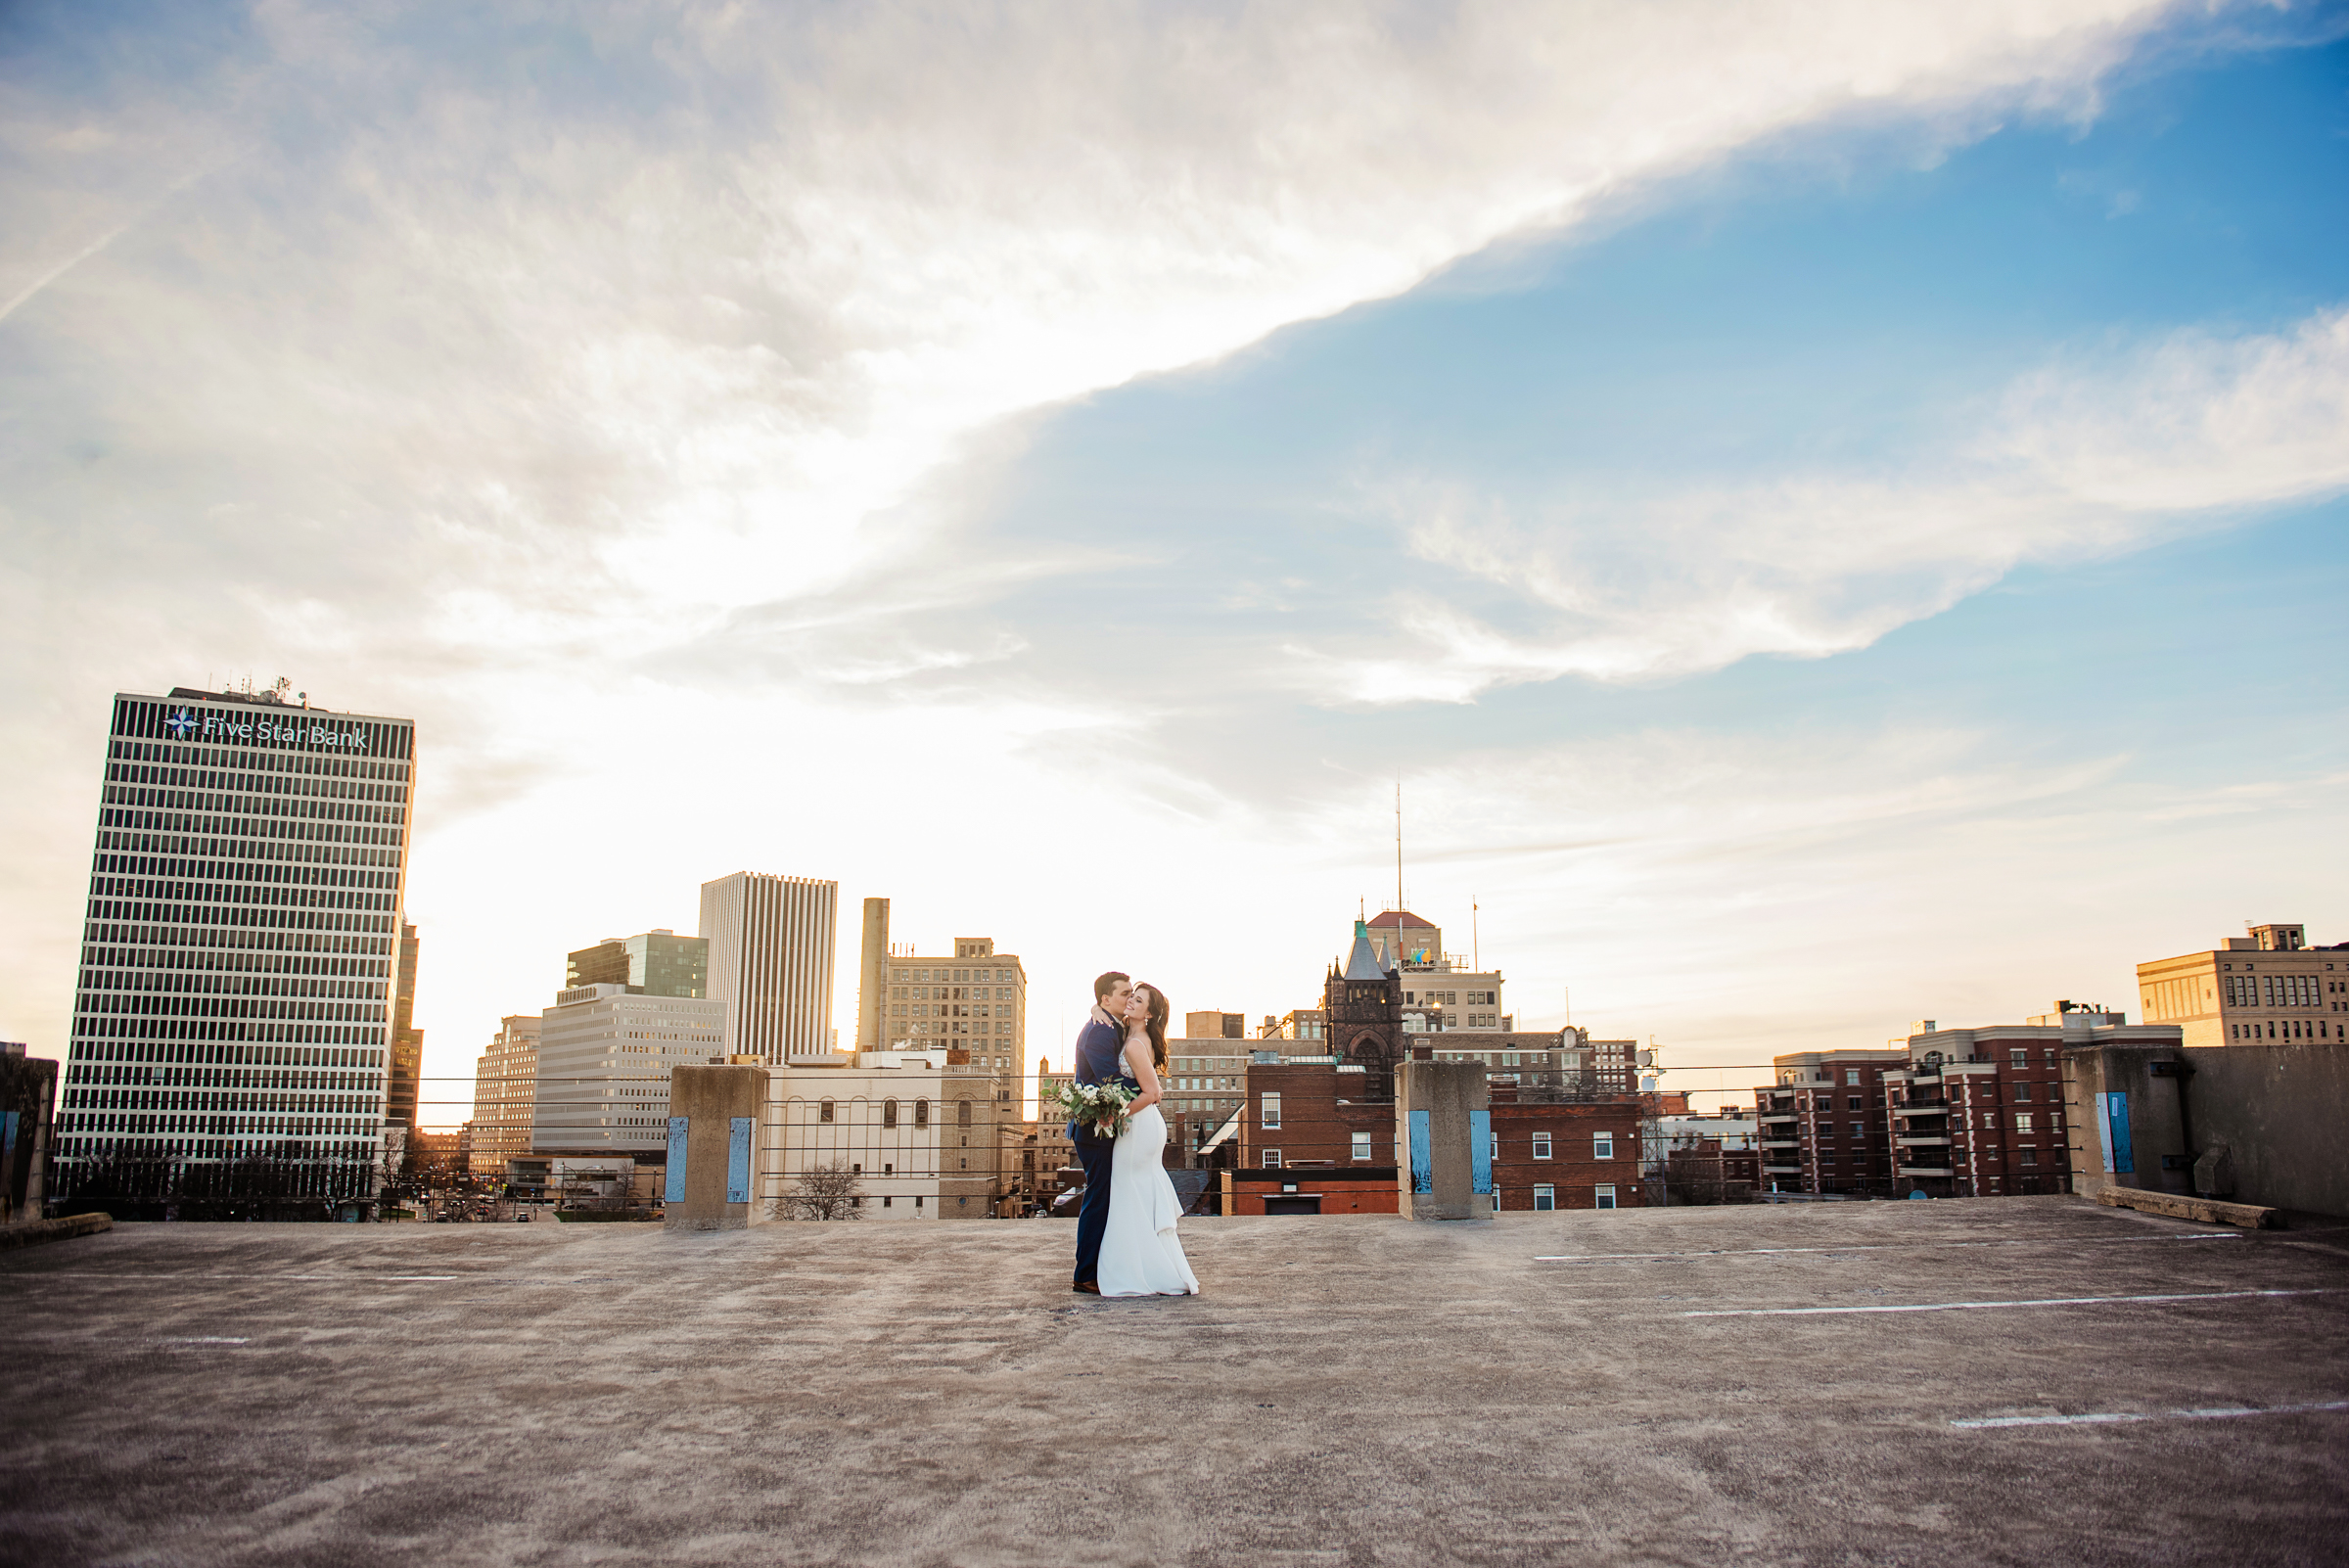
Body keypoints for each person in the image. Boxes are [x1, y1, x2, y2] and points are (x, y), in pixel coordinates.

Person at [1094, 982, 1200, 1298]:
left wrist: (1117, 1113)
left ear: (1149, 1013)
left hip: (1139, 1125)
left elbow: (1153, 1092)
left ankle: (1139, 1272)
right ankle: (1153, 1266)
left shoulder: (1135, 1045)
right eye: (1131, 996)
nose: (1131, 1002)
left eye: (1138, 1000)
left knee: (1128, 1191)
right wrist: (1095, 1009)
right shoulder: (1133, 1036)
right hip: (1146, 1125)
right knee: (1138, 1194)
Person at [1069, 971, 1133, 1293]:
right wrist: (1148, 1087)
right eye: (1124, 993)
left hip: (1104, 1126)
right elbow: (1111, 1080)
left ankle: (1100, 1267)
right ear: (1106, 1000)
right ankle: (1085, 1275)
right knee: (1097, 1199)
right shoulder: (1099, 1031)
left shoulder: (1112, 1026)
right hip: (1093, 1130)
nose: (1130, 998)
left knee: (1105, 1197)